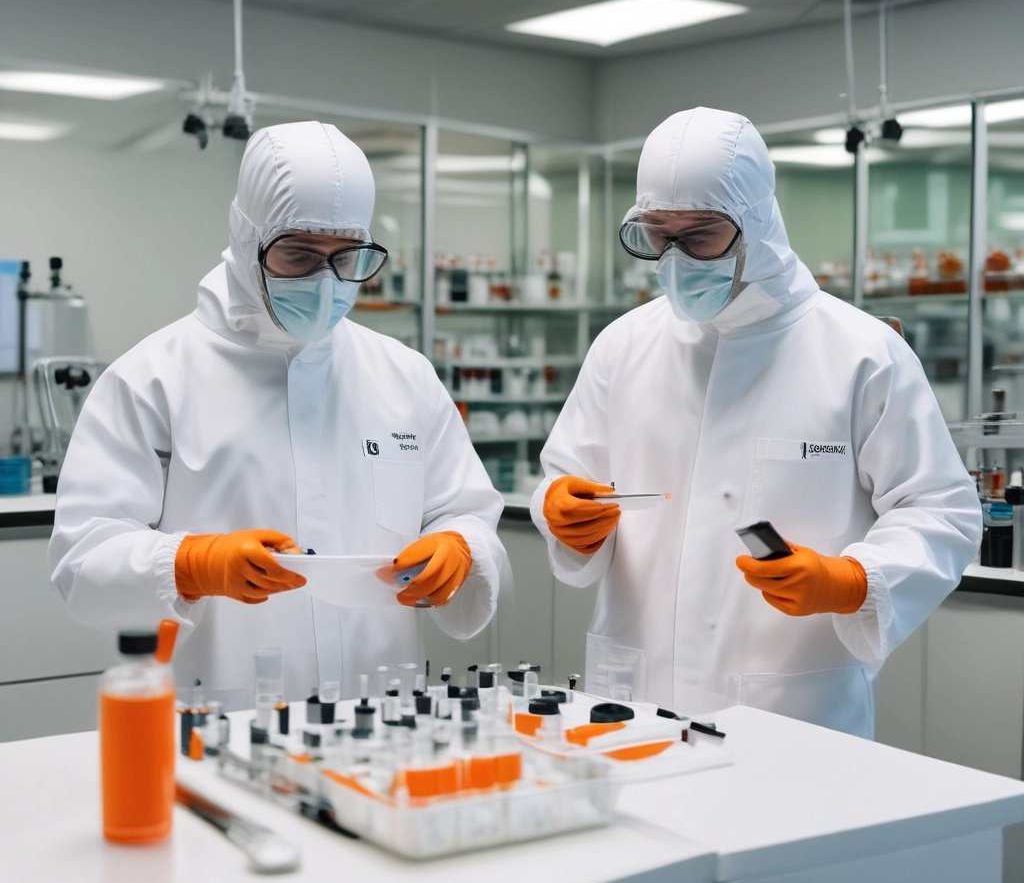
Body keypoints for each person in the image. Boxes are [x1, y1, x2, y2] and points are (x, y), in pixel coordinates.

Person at [530, 106, 981, 738]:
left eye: (701, 236)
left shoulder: (861, 352)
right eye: (657, 235)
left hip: (792, 706)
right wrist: (562, 514)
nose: (677, 259)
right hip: (637, 696)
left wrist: (856, 581)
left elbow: (940, 509)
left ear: (759, 221)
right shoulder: (623, 345)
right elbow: (568, 477)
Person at [49, 121, 507, 703]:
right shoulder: (152, 378)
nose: (326, 281)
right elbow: (82, 558)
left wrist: (460, 547)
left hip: (379, 716)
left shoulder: (403, 374)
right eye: (298, 254)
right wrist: (189, 563)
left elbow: (463, 510)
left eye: (348, 257)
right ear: (247, 238)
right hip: (222, 711)